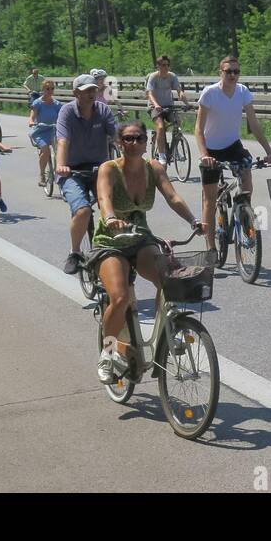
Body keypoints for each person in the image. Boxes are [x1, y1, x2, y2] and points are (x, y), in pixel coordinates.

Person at [92, 120, 202, 383]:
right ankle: (107, 354)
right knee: (119, 297)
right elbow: (104, 198)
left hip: (140, 239)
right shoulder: (109, 169)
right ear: (119, 142)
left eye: (138, 138)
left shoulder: (154, 168)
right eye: (127, 139)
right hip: (110, 242)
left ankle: (165, 333)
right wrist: (109, 218)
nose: (133, 143)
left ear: (146, 141)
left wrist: (193, 221)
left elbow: (172, 197)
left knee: (169, 282)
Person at [194, 56, 271, 254]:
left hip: (233, 145)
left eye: (236, 72)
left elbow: (254, 125)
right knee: (210, 200)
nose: (232, 75)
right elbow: (198, 129)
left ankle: (245, 222)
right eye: (228, 71)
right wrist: (204, 154)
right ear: (220, 72)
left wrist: (269, 150)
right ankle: (211, 247)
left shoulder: (243, 92)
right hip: (211, 149)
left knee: (247, 182)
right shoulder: (210, 93)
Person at [56, 74, 119, 274]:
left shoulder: (103, 110)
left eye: (93, 89)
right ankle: (75, 252)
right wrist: (61, 165)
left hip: (100, 169)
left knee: (112, 208)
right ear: (76, 93)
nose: (92, 93)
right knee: (82, 211)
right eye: (86, 91)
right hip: (72, 170)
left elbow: (116, 136)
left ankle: (116, 247)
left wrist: (130, 156)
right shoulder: (66, 112)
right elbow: (62, 141)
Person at [145, 55, 186, 164]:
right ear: (157, 66)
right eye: (163, 65)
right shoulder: (153, 77)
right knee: (160, 127)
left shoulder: (172, 76)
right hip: (155, 107)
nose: (166, 67)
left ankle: (175, 150)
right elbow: (149, 93)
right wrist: (156, 105)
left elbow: (178, 90)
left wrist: (186, 102)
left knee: (178, 122)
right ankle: (162, 154)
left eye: (168, 65)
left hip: (168, 106)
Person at [28, 80, 62, 187]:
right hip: (40, 131)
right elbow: (32, 115)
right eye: (48, 89)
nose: (50, 91)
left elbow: (62, 117)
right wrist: (32, 121)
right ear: (43, 89)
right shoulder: (37, 103)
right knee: (46, 150)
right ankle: (42, 175)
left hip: (53, 130)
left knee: (61, 151)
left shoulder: (57, 104)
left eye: (52, 89)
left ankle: (60, 173)